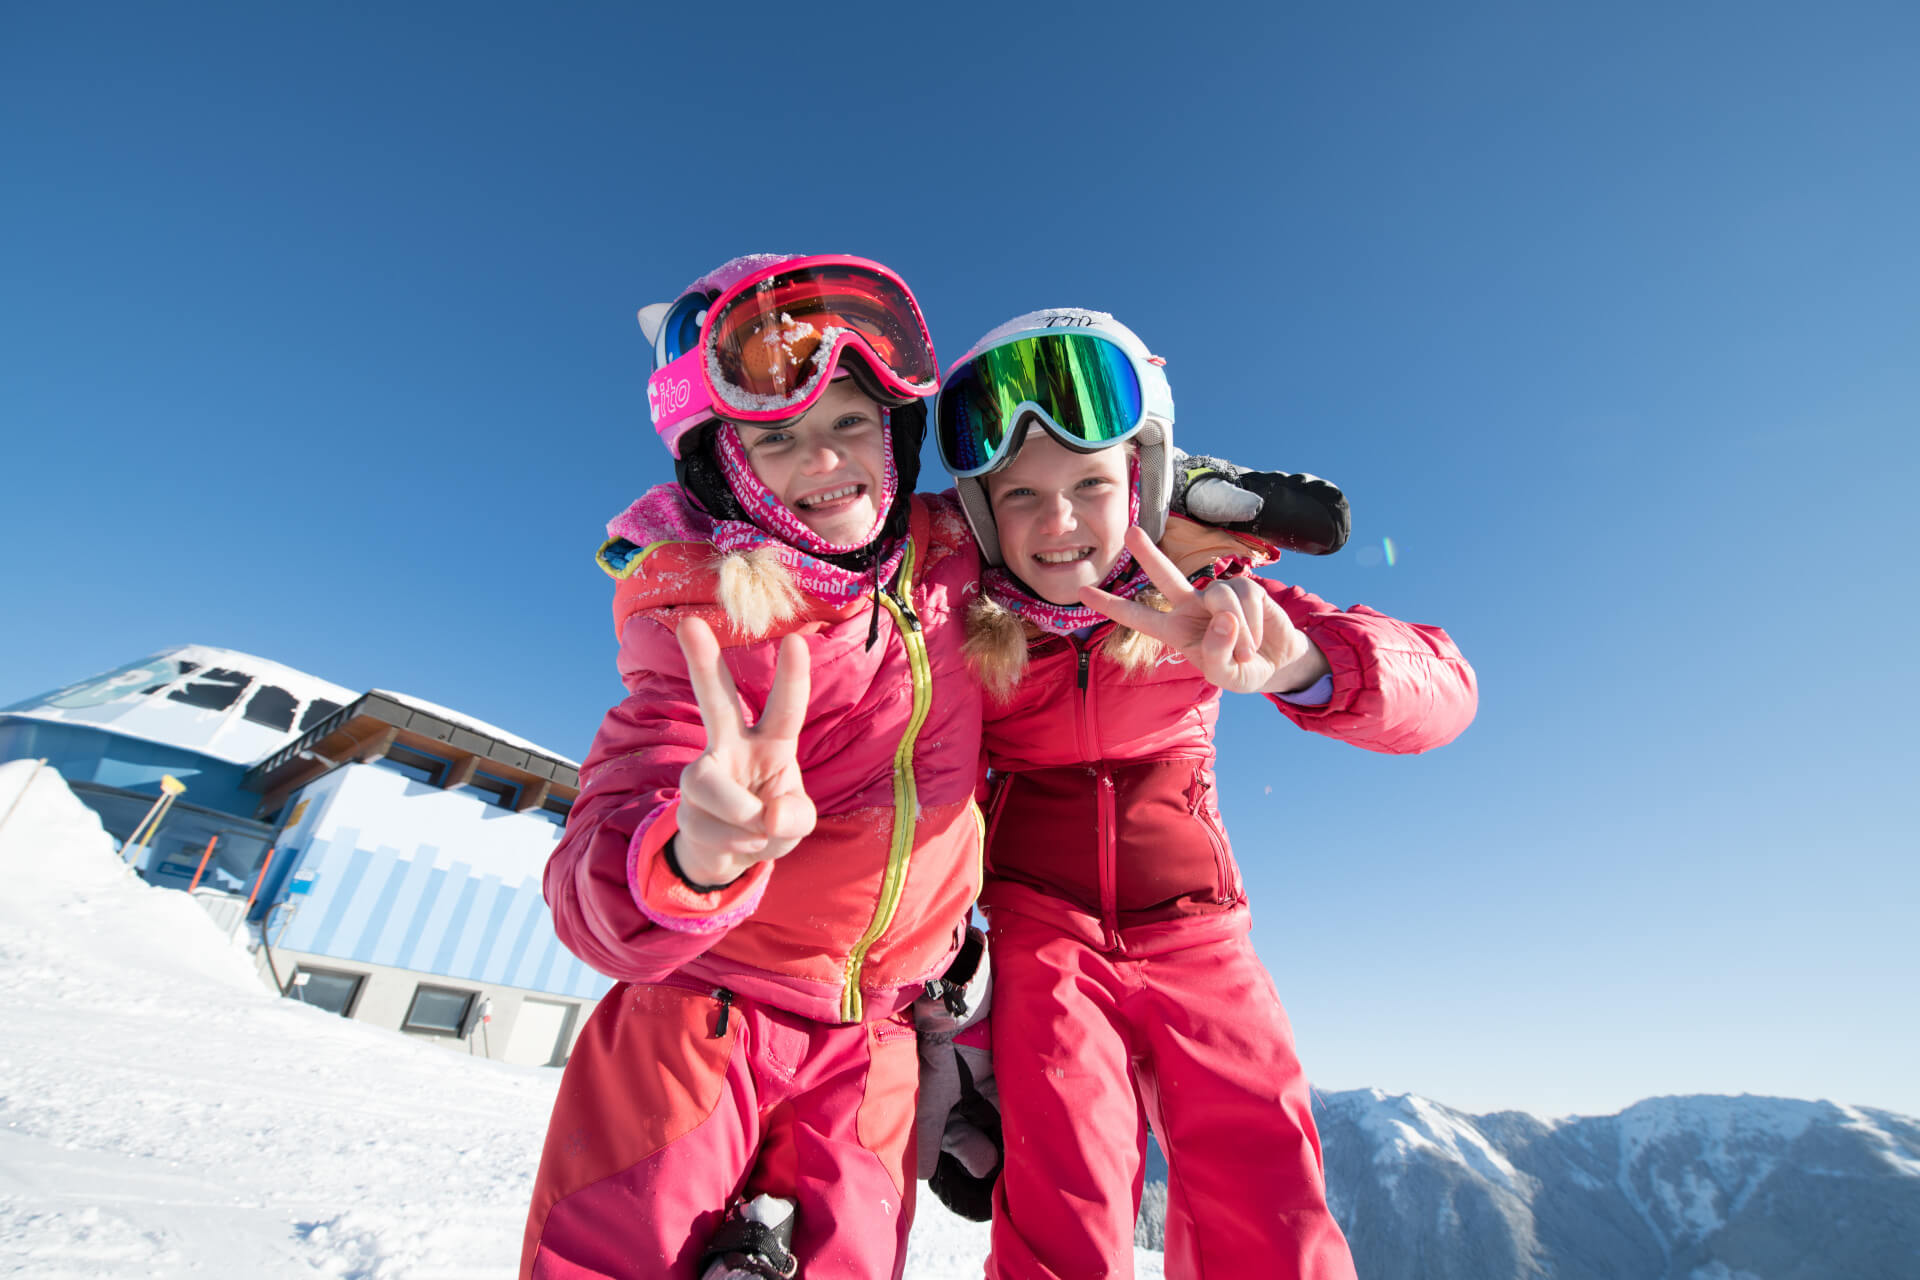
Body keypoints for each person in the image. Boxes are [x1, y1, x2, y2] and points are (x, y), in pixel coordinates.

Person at [928, 308, 1479, 1280]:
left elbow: (1445, 693)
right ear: (980, 510)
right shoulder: (967, 634)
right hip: (1042, 938)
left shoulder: (1205, 596)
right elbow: (922, 801)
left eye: (1090, 483)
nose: (1058, 522)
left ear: (1141, 482)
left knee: (1266, 1206)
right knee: (1064, 1199)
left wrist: (1300, 660)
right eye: (1022, 493)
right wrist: (946, 993)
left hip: (1199, 939)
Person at [519, 254, 988, 1280]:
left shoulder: (955, 566)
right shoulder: (703, 620)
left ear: (898, 434)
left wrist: (1210, 510)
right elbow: (592, 871)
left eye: (852, 422)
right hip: (696, 1023)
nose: (824, 458)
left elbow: (1072, 531)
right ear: (727, 466)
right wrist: (693, 853)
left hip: (875, 1048)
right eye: (778, 438)